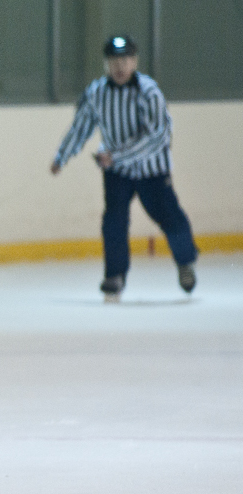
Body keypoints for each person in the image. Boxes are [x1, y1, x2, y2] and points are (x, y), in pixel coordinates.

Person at [50, 35, 198, 302]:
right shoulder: (96, 93)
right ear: (106, 64)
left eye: (126, 60)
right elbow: (81, 126)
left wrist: (117, 156)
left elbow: (157, 137)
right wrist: (62, 156)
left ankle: (185, 261)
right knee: (114, 222)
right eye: (115, 61)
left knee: (169, 217)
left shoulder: (149, 92)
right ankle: (115, 275)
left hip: (152, 171)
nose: (120, 66)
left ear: (135, 62)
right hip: (117, 172)